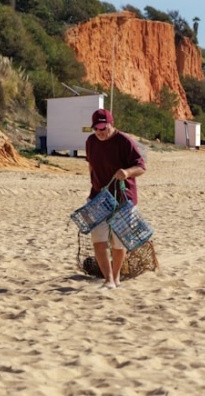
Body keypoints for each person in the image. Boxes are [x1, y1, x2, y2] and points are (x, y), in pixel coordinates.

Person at [86, 108, 146, 289]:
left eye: (103, 127)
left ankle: (117, 275)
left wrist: (127, 172)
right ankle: (108, 280)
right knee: (98, 239)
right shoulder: (90, 142)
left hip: (123, 199)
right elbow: (91, 166)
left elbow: (141, 167)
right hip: (98, 198)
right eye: (96, 128)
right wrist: (93, 187)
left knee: (118, 243)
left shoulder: (124, 142)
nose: (100, 132)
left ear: (111, 124)